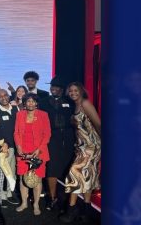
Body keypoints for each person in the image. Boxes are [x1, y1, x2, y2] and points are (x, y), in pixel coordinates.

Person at [60, 82, 101, 223]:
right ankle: (86, 211)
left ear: (81, 91)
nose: (73, 93)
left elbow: (98, 124)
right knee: (88, 176)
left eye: (75, 90)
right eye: (70, 91)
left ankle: (71, 211)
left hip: (92, 146)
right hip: (81, 147)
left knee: (74, 173)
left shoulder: (85, 104)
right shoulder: (75, 105)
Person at [38, 76, 75, 211]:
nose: (53, 88)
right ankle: (52, 198)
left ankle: (66, 198)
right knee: (52, 168)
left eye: (56, 86)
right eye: (52, 86)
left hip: (68, 137)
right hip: (51, 138)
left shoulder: (69, 102)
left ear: (61, 89)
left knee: (68, 168)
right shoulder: (43, 102)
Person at [14, 93, 51, 216]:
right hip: (23, 152)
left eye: (33, 101)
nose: (30, 103)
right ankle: (24, 203)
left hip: (38, 152)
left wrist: (39, 150)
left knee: (37, 179)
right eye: (28, 101)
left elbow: (47, 135)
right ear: (24, 103)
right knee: (22, 178)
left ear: (36, 103)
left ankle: (36, 204)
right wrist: (18, 146)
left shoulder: (43, 115)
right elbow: (16, 133)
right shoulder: (19, 114)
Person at [0, 89, 20, 205]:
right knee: (5, 172)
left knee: (13, 172)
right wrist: (3, 145)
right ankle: (2, 196)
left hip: (17, 147)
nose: (3, 98)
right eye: (0, 96)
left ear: (9, 96)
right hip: (5, 147)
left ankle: (10, 193)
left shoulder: (16, 109)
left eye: (5, 95)